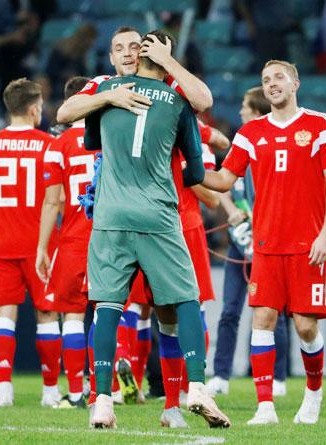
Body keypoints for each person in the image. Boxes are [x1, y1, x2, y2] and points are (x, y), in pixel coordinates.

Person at [85, 30, 230, 429]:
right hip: (163, 217)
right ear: (166, 56)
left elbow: (85, 135)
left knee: (111, 308)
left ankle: (102, 398)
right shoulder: (180, 104)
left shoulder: (106, 91)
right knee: (184, 303)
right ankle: (195, 389)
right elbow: (200, 173)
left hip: (111, 216)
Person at [201, 60, 326, 425]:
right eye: (266, 79)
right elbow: (222, 180)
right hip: (266, 244)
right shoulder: (251, 133)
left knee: (305, 327)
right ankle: (265, 407)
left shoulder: (320, 125)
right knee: (262, 318)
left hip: (307, 246)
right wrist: (184, 169)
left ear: (295, 82)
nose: (272, 84)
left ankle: (313, 395)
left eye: (279, 77)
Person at [0, 78, 61, 408]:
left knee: (4, 315)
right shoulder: (49, 145)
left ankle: (4, 389)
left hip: (2, 244)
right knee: (48, 315)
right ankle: (50, 391)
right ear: (35, 108)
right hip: (41, 244)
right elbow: (57, 199)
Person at [206, 86, 291, 398]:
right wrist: (231, 212)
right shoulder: (242, 145)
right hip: (241, 244)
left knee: (272, 314)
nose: (240, 111)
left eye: (244, 106)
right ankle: (221, 376)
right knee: (229, 311)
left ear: (256, 111)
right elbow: (224, 182)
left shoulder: (266, 149)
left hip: (267, 244)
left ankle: (279, 377)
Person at [36, 76, 93, 409]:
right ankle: (105, 388)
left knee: (71, 316)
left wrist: (44, 247)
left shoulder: (58, 146)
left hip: (73, 238)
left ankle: (74, 393)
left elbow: (52, 202)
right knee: (109, 314)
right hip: (111, 238)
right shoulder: (110, 137)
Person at [55, 27, 213, 125]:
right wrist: (109, 96)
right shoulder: (103, 84)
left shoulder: (167, 82)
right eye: (119, 49)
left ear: (145, 51)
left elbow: (204, 102)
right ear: (111, 58)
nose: (127, 54)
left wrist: (167, 61)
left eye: (134, 47)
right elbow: (64, 114)